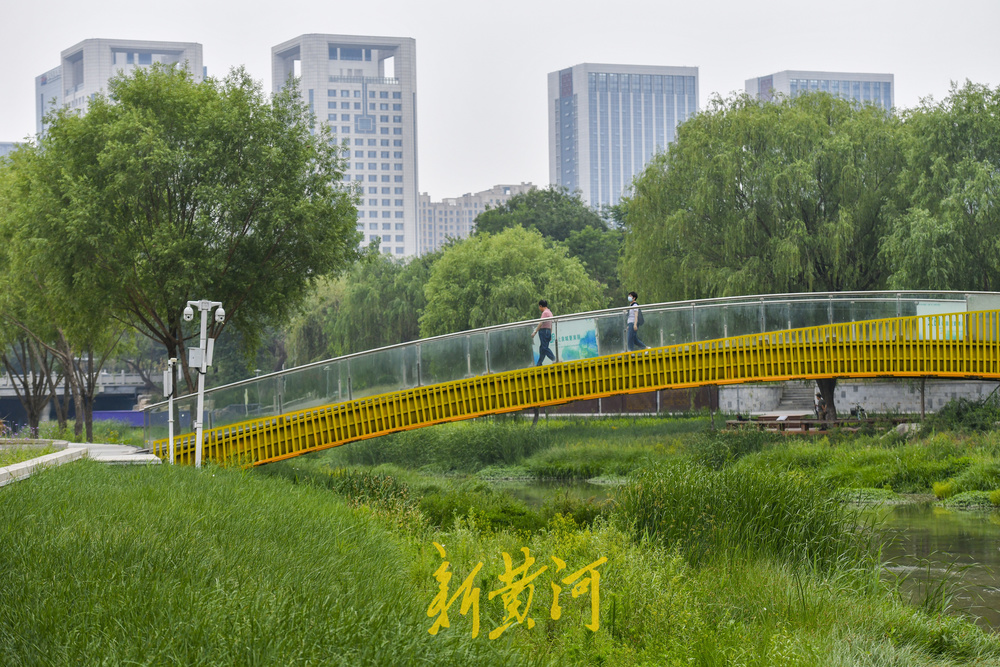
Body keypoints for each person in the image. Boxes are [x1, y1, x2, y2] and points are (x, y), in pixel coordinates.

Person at [531, 299, 556, 366]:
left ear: (541, 306)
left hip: (544, 331)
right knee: (542, 348)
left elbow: (541, 323)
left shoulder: (545, 313)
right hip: (548, 331)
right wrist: (550, 333)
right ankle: (539, 363)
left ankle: (554, 359)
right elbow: (551, 324)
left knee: (544, 348)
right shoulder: (550, 312)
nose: (539, 308)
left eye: (539, 307)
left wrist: (535, 332)